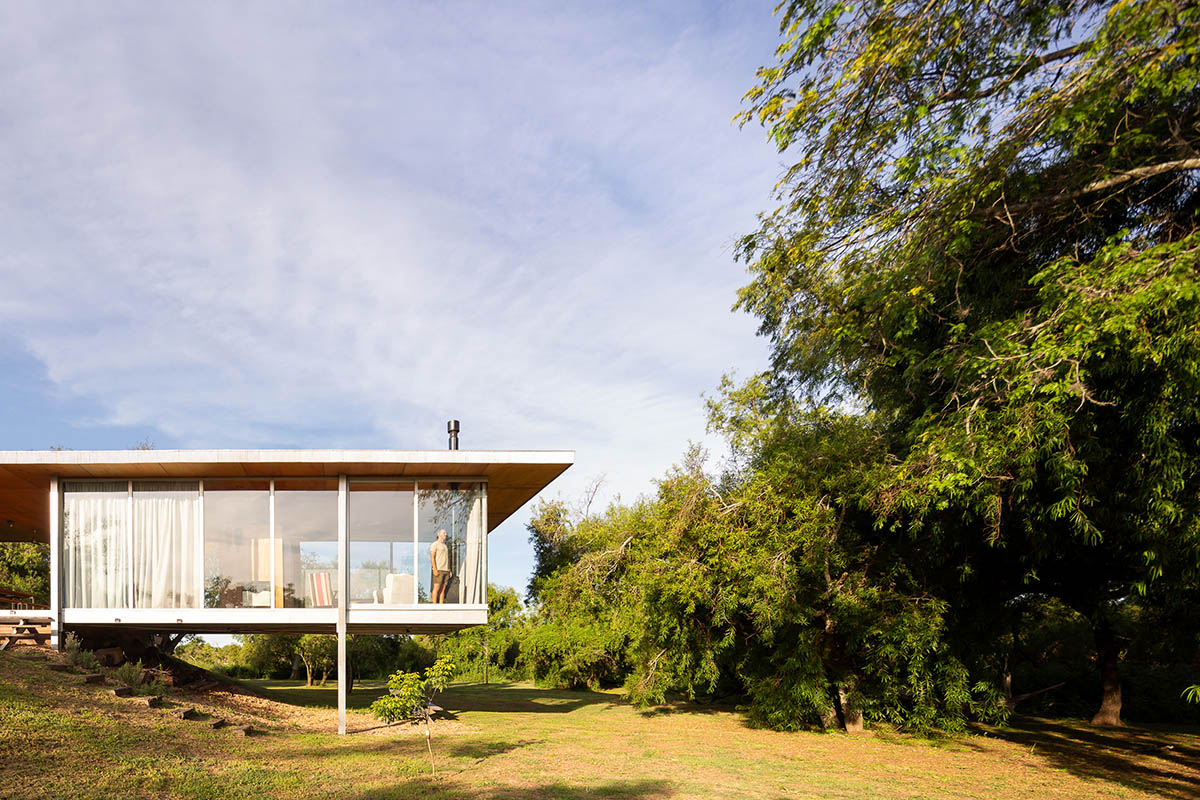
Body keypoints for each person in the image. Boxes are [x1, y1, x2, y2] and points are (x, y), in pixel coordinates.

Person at [429, 528, 452, 604]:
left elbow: (447, 558)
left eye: (445, 533)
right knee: (436, 588)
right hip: (439, 569)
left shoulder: (445, 546)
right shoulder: (435, 544)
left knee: (443, 590)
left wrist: (449, 570)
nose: (445, 534)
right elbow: (432, 557)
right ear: (438, 534)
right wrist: (434, 569)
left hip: (446, 570)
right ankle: (434, 606)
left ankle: (441, 606)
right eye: (444, 533)